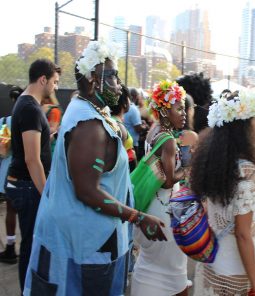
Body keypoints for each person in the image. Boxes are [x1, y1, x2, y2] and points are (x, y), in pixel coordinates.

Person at [23, 39, 166, 296]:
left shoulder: (89, 110)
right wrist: (139, 217)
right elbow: (87, 191)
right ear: (91, 80)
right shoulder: (89, 126)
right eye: (111, 76)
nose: (118, 84)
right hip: (87, 243)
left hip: (89, 237)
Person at [191, 88, 255, 296]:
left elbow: (245, 195)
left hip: (211, 264)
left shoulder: (217, 159)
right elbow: (243, 234)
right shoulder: (247, 170)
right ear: (242, 127)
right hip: (235, 273)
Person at [4, 59, 60, 291]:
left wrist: (48, 138)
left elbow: (32, 148)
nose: (56, 87)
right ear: (43, 79)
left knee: (31, 242)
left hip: (25, 185)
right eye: (55, 82)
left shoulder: (27, 105)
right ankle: (29, 290)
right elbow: (31, 159)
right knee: (30, 244)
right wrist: (46, 193)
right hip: (27, 187)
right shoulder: (29, 108)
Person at [131, 80, 189, 296]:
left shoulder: (153, 131)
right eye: (179, 108)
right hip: (164, 210)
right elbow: (167, 179)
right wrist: (188, 170)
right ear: (165, 111)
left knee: (149, 261)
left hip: (149, 206)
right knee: (173, 269)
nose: (183, 113)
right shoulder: (169, 141)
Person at [0, 86, 23, 264]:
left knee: (10, 209)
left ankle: (9, 247)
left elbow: (3, 151)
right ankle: (27, 247)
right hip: (26, 169)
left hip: (9, 169)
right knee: (26, 211)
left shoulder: (5, 122)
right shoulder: (30, 118)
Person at [110, 84, 137, 172]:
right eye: (129, 99)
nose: (130, 102)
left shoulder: (114, 121)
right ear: (124, 103)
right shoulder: (119, 127)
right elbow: (116, 161)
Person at [124, 87, 149, 161]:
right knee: (133, 168)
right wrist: (146, 127)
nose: (139, 98)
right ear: (135, 96)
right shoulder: (133, 109)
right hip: (132, 145)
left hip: (125, 142)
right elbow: (138, 128)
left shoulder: (126, 107)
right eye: (138, 95)